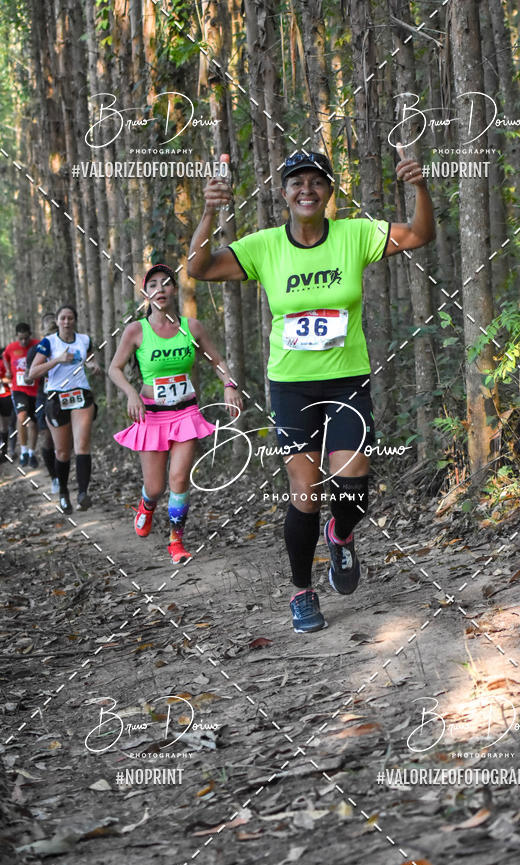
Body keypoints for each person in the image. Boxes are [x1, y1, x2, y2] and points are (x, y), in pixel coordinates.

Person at [187, 148, 435, 633]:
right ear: (284, 193)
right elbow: (199, 268)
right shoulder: (263, 247)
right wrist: (210, 212)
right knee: (305, 492)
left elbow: (421, 234)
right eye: (296, 182)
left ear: (328, 193)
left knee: (355, 482)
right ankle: (302, 591)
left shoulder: (355, 234)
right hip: (291, 387)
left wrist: (418, 185)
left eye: (316, 182)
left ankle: (340, 537)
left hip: (346, 379)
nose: (306, 189)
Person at [108, 263, 243, 565]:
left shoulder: (191, 327)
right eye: (153, 284)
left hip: (185, 413)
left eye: (166, 283)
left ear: (174, 290)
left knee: (179, 478)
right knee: (156, 487)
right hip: (151, 416)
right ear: (146, 293)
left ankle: (176, 541)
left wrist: (229, 384)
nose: (160, 289)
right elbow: (114, 368)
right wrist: (131, 393)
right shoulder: (136, 331)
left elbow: (216, 359)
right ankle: (146, 503)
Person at [29, 305, 100, 513]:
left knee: (82, 445)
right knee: (62, 450)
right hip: (56, 397)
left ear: (75, 320)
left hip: (80, 394)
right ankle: (63, 493)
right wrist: (58, 360)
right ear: (57, 321)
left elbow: (89, 358)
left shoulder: (84, 340)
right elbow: (33, 372)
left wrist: (93, 365)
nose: (66, 322)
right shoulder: (48, 343)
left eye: (70, 318)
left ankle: (83, 494)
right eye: (63, 318)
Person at [26, 312, 59, 492]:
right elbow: (29, 375)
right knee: (47, 437)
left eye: (54, 328)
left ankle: (61, 474)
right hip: (44, 397)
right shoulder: (35, 350)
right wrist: (31, 376)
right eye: (48, 329)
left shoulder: (68, 346)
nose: (51, 332)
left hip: (65, 396)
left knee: (65, 442)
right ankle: (54, 477)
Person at [2, 323, 39, 467]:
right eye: (21, 339)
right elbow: (5, 356)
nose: (24, 342)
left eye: (26, 338)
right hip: (19, 389)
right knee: (21, 416)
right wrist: (8, 371)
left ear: (30, 335)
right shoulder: (11, 347)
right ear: (17, 336)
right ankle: (23, 451)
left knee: (34, 423)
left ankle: (31, 453)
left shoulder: (38, 345)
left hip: (35, 389)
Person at [0, 350, 12, 463]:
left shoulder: (3, 363)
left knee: (4, 426)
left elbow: (10, 378)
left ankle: (4, 452)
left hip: (4, 395)